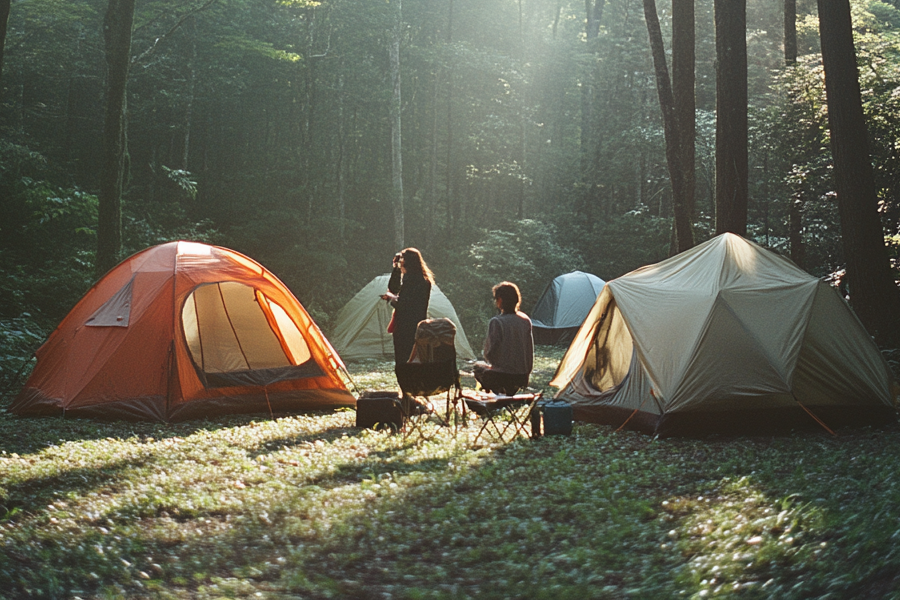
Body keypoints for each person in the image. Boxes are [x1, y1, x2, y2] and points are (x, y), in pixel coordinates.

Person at [473, 281, 534, 396]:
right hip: (522, 378)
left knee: (477, 368)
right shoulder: (525, 320)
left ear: (500, 300)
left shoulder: (497, 322)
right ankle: (504, 395)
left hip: (502, 378)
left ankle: (496, 396)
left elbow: (490, 354)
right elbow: (529, 351)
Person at [380, 248, 433, 366]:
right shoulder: (425, 280)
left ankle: (406, 381)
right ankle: (415, 381)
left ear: (408, 262)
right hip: (419, 325)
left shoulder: (412, 281)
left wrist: (391, 299)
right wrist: (396, 269)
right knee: (416, 357)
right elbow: (394, 288)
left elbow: (404, 304)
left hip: (405, 325)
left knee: (403, 357)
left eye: (402, 259)